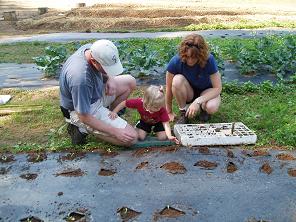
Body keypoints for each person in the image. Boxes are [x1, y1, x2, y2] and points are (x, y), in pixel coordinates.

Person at [59, 39, 138, 146]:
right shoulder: (80, 78)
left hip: (93, 94)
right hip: (81, 110)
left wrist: (110, 79)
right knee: (131, 138)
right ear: (93, 61)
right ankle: (80, 129)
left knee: (130, 81)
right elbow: (84, 116)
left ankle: (109, 118)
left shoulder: (93, 49)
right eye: (106, 68)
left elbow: (108, 75)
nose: (108, 71)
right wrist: (115, 131)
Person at [166, 33, 222, 124]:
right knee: (176, 80)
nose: (190, 61)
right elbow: (168, 88)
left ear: (201, 55)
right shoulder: (175, 61)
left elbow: (218, 88)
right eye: (188, 57)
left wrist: (198, 101)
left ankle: (204, 110)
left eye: (194, 57)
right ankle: (183, 113)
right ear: (183, 53)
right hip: (188, 93)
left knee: (211, 107)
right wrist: (169, 112)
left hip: (206, 91)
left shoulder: (209, 60)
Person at [108, 85, 179, 144]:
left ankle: (157, 131)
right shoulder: (139, 103)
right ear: (145, 102)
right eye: (153, 108)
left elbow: (166, 124)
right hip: (145, 121)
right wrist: (114, 111)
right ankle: (137, 127)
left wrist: (169, 136)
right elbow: (124, 103)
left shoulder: (162, 109)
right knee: (141, 137)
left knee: (162, 138)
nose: (156, 109)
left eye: (159, 107)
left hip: (158, 122)